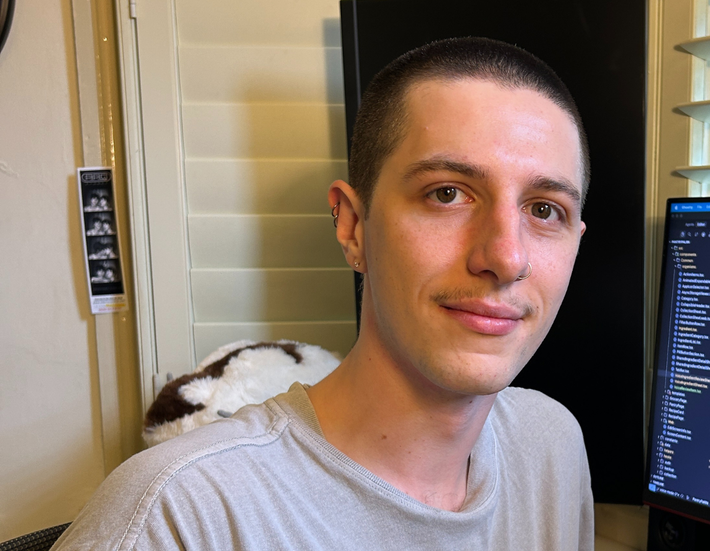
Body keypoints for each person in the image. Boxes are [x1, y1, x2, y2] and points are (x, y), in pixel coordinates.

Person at [54, 37, 593, 550]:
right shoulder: (176, 519)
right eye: (447, 193)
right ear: (353, 226)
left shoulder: (551, 445)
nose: (505, 258)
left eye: (545, 209)